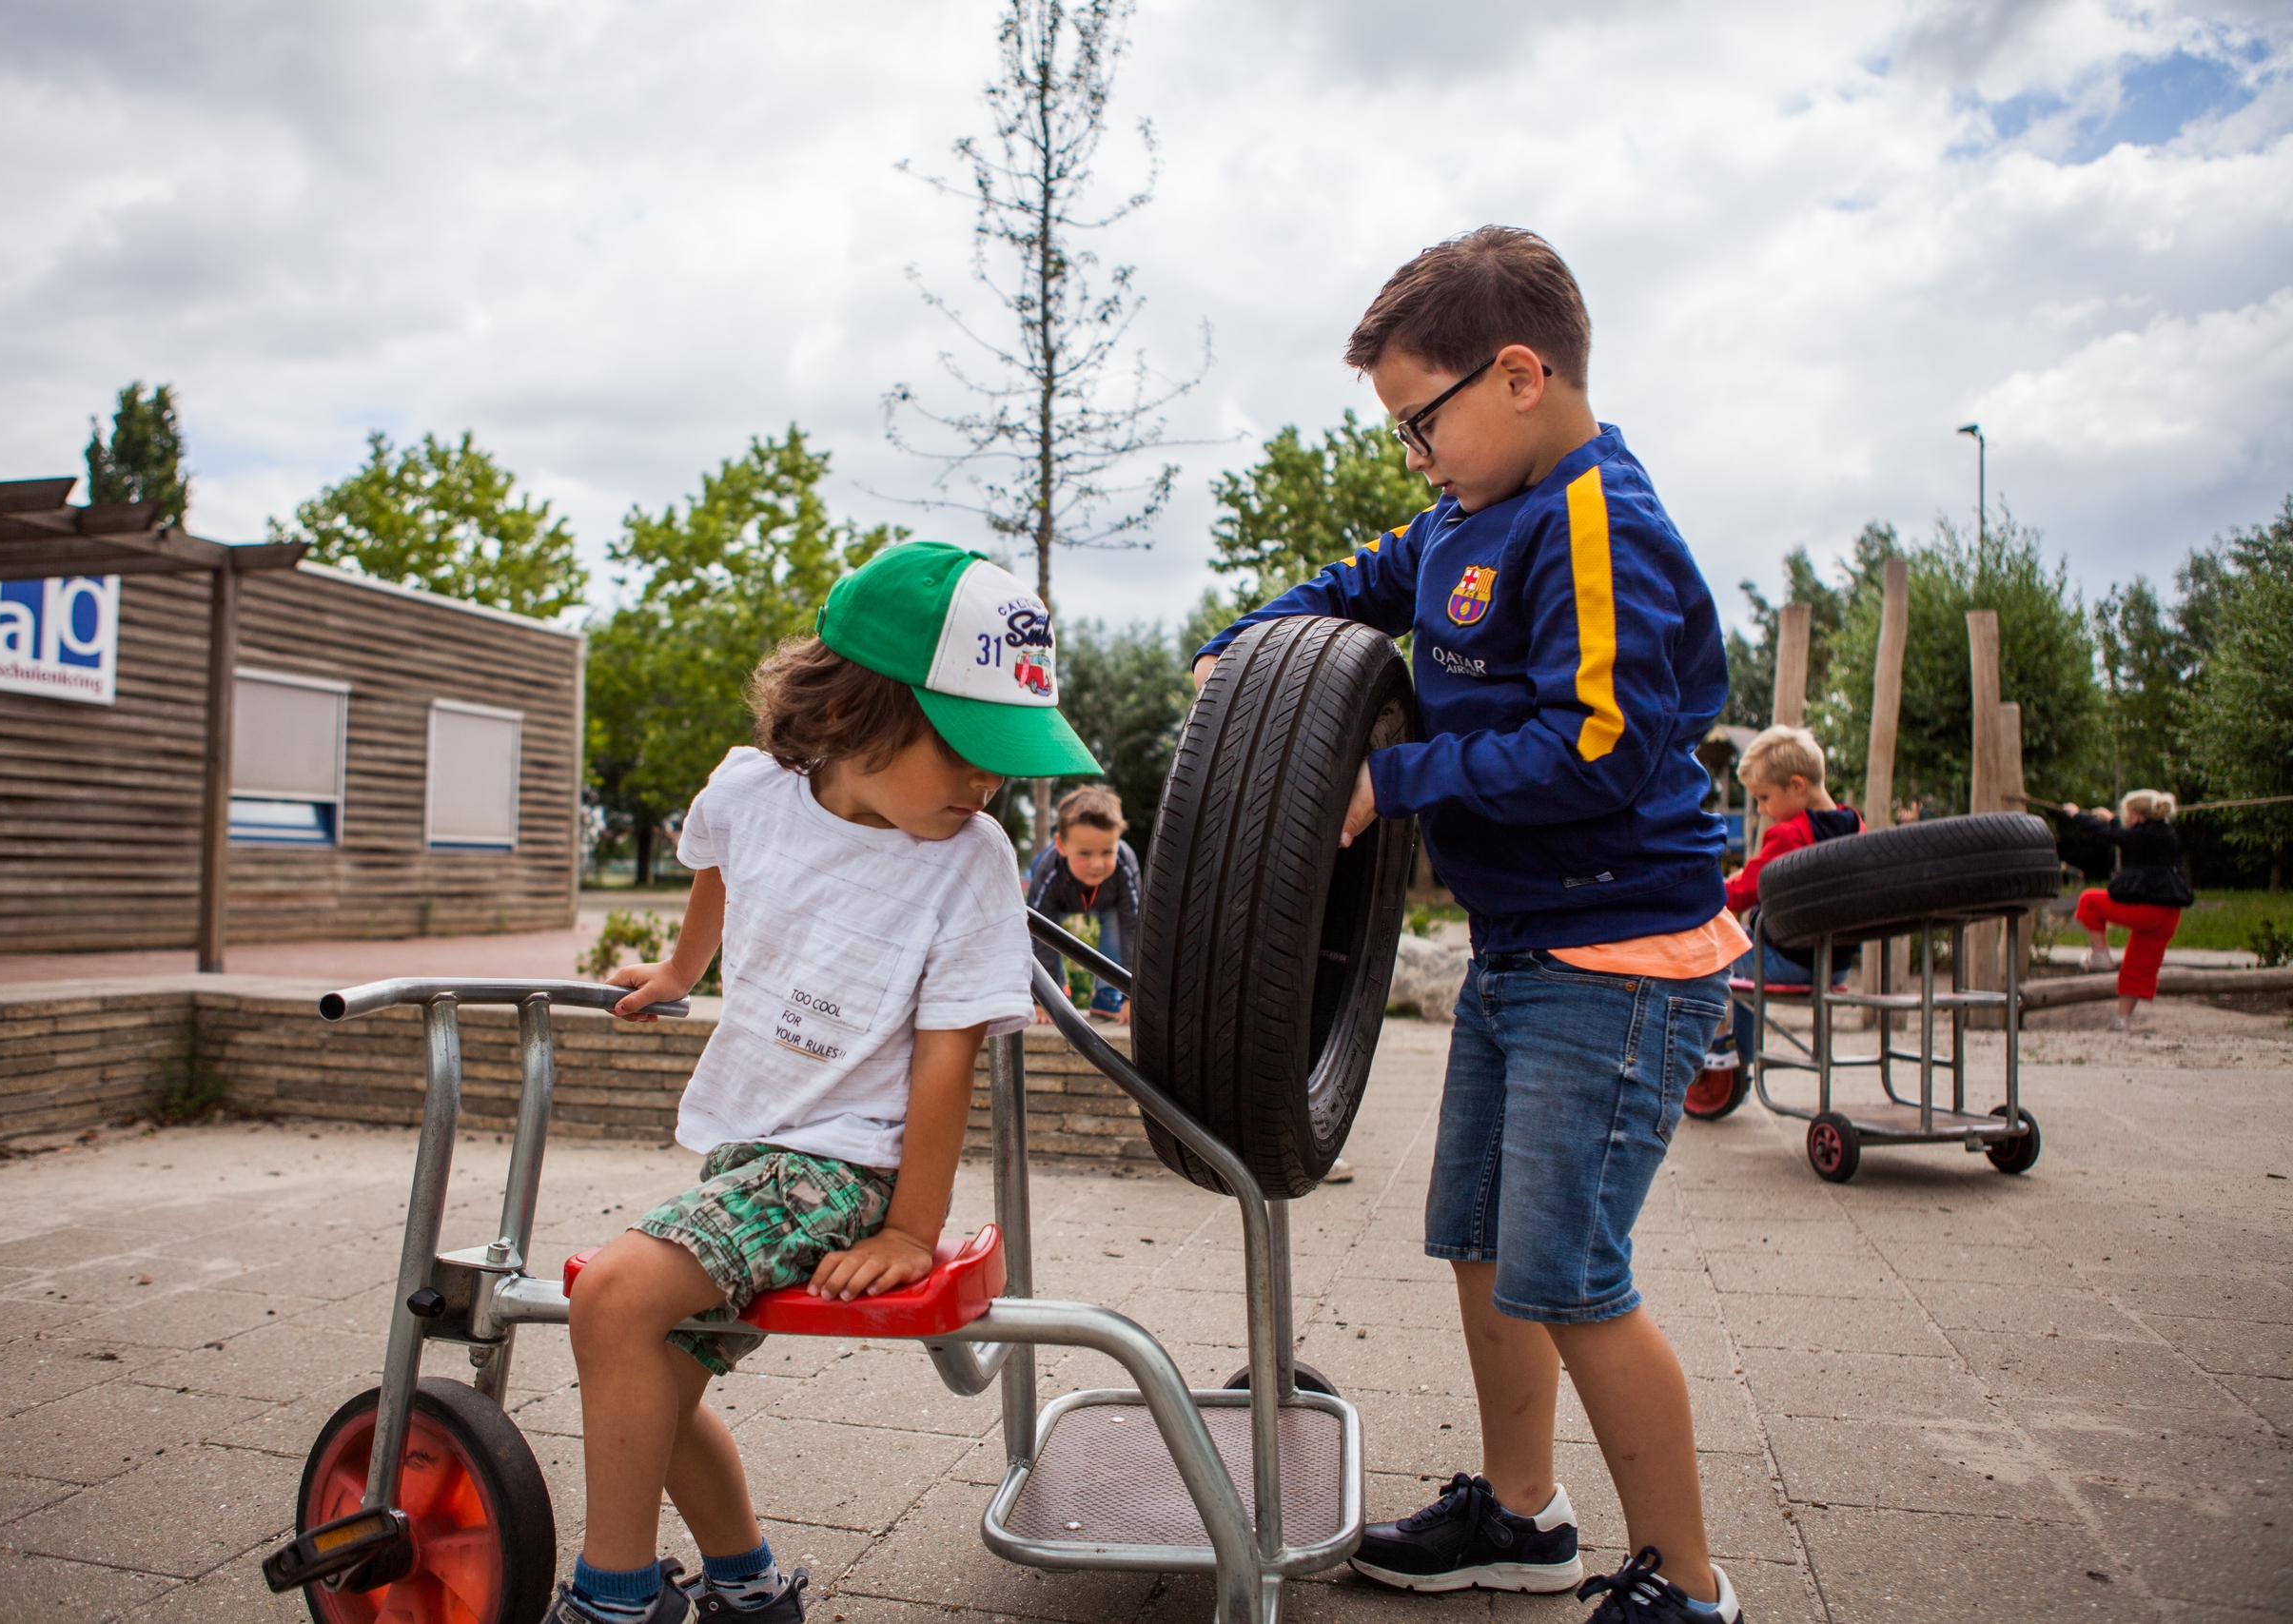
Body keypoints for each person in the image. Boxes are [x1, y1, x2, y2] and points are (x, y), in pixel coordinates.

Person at [1193, 227, 1749, 1621]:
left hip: (1618, 959)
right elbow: (1355, 588)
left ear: (1516, 374)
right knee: (1487, 1245)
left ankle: (1687, 1584)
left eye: (1418, 422)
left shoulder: (1600, 523)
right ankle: (1520, 1512)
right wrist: (1245, 649)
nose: (1413, 456)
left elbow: (1600, 746)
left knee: (1572, 1277)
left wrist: (1393, 781)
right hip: (1522, 946)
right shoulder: (1460, 515)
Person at [561, 541, 1099, 1624]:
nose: (987, 783)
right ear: (855, 714)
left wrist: (910, 1228)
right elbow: (718, 858)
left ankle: (611, 1602)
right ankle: (750, 1590)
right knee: (651, 1374)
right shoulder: (749, 788)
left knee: (611, 1299)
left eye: (1003, 758)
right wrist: (682, 970)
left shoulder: (970, 859)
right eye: (967, 748)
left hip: (843, 1168)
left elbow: (947, 1056)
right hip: (748, 1149)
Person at [1702, 724, 1863, 1094]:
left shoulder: (1789, 834)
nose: (1761, 809)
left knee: (1708, 948)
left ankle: (1723, 1055)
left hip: (1789, 961)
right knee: (1741, 968)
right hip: (1834, 965)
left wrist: (1701, 892)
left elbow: (1742, 893)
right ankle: (1739, 1055)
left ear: (1797, 785)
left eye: (1764, 797)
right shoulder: (1854, 826)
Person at [2062, 789, 2192, 1033]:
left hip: (2148, 910)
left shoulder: (2141, 836)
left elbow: (2111, 835)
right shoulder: (2165, 834)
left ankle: (2100, 955)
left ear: (2135, 817)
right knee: (2138, 966)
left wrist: (2077, 815)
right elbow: (2128, 834)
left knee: (2089, 901)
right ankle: (2121, 1020)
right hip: (2169, 915)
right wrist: (2111, 818)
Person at [1027, 784, 1142, 1023]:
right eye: (1085, 853)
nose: (1097, 864)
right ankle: (1055, 991)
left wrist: (1132, 994)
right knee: (1044, 930)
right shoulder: (1048, 870)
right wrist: (1041, 998)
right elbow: (1036, 933)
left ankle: (1109, 990)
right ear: (1061, 845)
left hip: (1108, 904)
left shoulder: (1125, 864)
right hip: (1058, 905)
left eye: (1107, 852)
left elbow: (1134, 929)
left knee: (1120, 921)